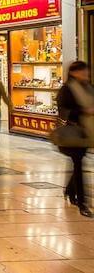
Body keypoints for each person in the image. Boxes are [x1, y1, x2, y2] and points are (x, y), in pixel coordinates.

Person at [57, 61, 94, 217]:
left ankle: (70, 191)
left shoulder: (88, 87)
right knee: (79, 164)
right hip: (74, 131)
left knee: (78, 163)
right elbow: (63, 109)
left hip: (87, 130)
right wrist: (84, 110)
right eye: (83, 72)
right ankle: (82, 203)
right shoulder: (67, 89)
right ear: (74, 72)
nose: (86, 75)